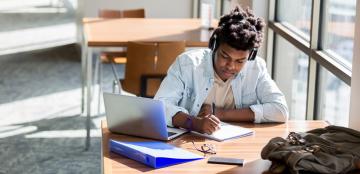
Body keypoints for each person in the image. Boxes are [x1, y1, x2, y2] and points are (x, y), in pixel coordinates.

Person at [154, 6, 288, 135]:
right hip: (190, 143)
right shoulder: (187, 64)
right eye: (225, 56)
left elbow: (280, 110)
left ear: (250, 56)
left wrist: (220, 113)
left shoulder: (256, 68)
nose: (230, 66)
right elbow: (160, 107)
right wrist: (195, 123)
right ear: (214, 45)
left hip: (236, 144)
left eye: (240, 61)